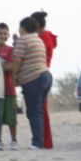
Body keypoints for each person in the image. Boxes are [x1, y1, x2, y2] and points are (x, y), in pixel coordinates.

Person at [12, 17, 52, 149]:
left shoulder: (23, 40)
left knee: (34, 112)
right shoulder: (38, 39)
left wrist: (14, 76)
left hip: (33, 79)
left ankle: (37, 142)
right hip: (45, 76)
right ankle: (40, 141)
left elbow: (17, 60)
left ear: (23, 28)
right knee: (39, 111)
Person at [31, 11, 58, 149]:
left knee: (39, 111)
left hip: (38, 74)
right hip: (45, 73)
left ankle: (44, 141)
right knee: (42, 110)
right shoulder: (48, 37)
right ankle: (45, 141)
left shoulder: (42, 39)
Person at [0, 23, 18, 150]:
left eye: (5, 33)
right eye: (0, 33)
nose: (2, 35)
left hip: (9, 88)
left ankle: (14, 140)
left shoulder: (11, 50)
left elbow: (12, 66)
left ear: (8, 35)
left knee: (11, 117)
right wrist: (4, 66)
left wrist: (3, 66)